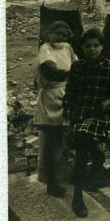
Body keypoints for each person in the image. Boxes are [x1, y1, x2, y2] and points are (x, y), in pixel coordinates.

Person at [63, 27, 110, 218]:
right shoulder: (77, 67)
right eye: (88, 46)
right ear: (82, 48)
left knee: (81, 149)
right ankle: (96, 159)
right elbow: (69, 93)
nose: (92, 49)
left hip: (101, 117)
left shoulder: (109, 66)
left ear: (101, 47)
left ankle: (78, 197)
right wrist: (68, 117)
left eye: (95, 45)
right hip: (80, 116)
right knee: (81, 145)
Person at [34, 20, 78, 198]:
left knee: (66, 139)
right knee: (51, 142)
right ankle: (51, 182)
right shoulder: (45, 49)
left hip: (67, 96)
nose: (61, 37)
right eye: (57, 34)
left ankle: (67, 174)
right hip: (51, 98)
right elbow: (52, 72)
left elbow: (77, 63)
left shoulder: (67, 48)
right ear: (49, 34)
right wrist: (74, 73)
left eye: (64, 35)